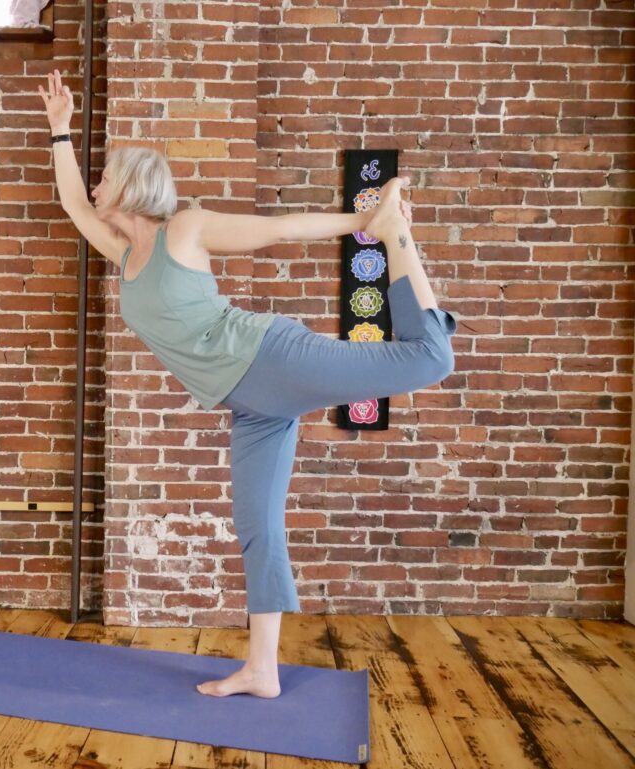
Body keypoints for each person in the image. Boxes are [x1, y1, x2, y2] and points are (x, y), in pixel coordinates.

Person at [39, 69, 458, 699]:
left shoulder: (187, 229)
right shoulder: (124, 256)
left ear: (127, 187)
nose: (94, 184)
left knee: (429, 359)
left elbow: (278, 229)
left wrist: (365, 220)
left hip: (271, 358)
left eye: (104, 175)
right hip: (251, 404)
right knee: (257, 524)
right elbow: (72, 202)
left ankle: (398, 231)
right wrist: (59, 130)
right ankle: (262, 671)